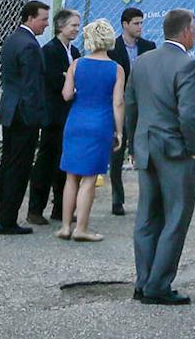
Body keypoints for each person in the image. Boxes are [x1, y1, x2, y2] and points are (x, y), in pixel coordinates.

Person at [127, 8, 195, 306]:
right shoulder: (187, 65)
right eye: (194, 29)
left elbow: (131, 104)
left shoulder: (142, 61)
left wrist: (134, 146)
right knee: (175, 217)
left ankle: (144, 281)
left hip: (146, 146)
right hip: (175, 150)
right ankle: (158, 284)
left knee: (147, 217)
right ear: (186, 31)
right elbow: (189, 114)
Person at [58, 18, 125, 242]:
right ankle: (82, 228)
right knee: (89, 178)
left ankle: (66, 226)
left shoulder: (76, 64)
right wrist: (119, 131)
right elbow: (117, 103)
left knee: (71, 177)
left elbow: (66, 95)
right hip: (100, 123)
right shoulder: (116, 69)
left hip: (76, 121)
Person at [0, 0, 50, 235]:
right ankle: (7, 220)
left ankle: (2, 215)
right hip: (22, 115)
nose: (46, 24)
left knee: (8, 164)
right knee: (18, 167)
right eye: (43, 19)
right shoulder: (28, 45)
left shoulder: (13, 40)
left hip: (10, 111)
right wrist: (36, 118)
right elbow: (31, 87)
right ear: (29, 18)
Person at [31, 7, 82, 225]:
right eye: (73, 26)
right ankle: (35, 208)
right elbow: (55, 81)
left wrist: (69, 79)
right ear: (61, 26)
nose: (76, 30)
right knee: (47, 161)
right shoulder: (50, 51)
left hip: (70, 115)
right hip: (54, 116)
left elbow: (75, 79)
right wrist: (68, 80)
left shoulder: (75, 52)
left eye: (78, 26)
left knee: (66, 163)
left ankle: (61, 207)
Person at [108, 6, 155, 217]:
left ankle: (149, 198)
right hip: (121, 104)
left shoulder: (149, 47)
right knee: (117, 152)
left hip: (143, 104)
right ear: (125, 24)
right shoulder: (113, 48)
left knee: (144, 151)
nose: (140, 27)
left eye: (141, 23)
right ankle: (117, 199)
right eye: (136, 23)